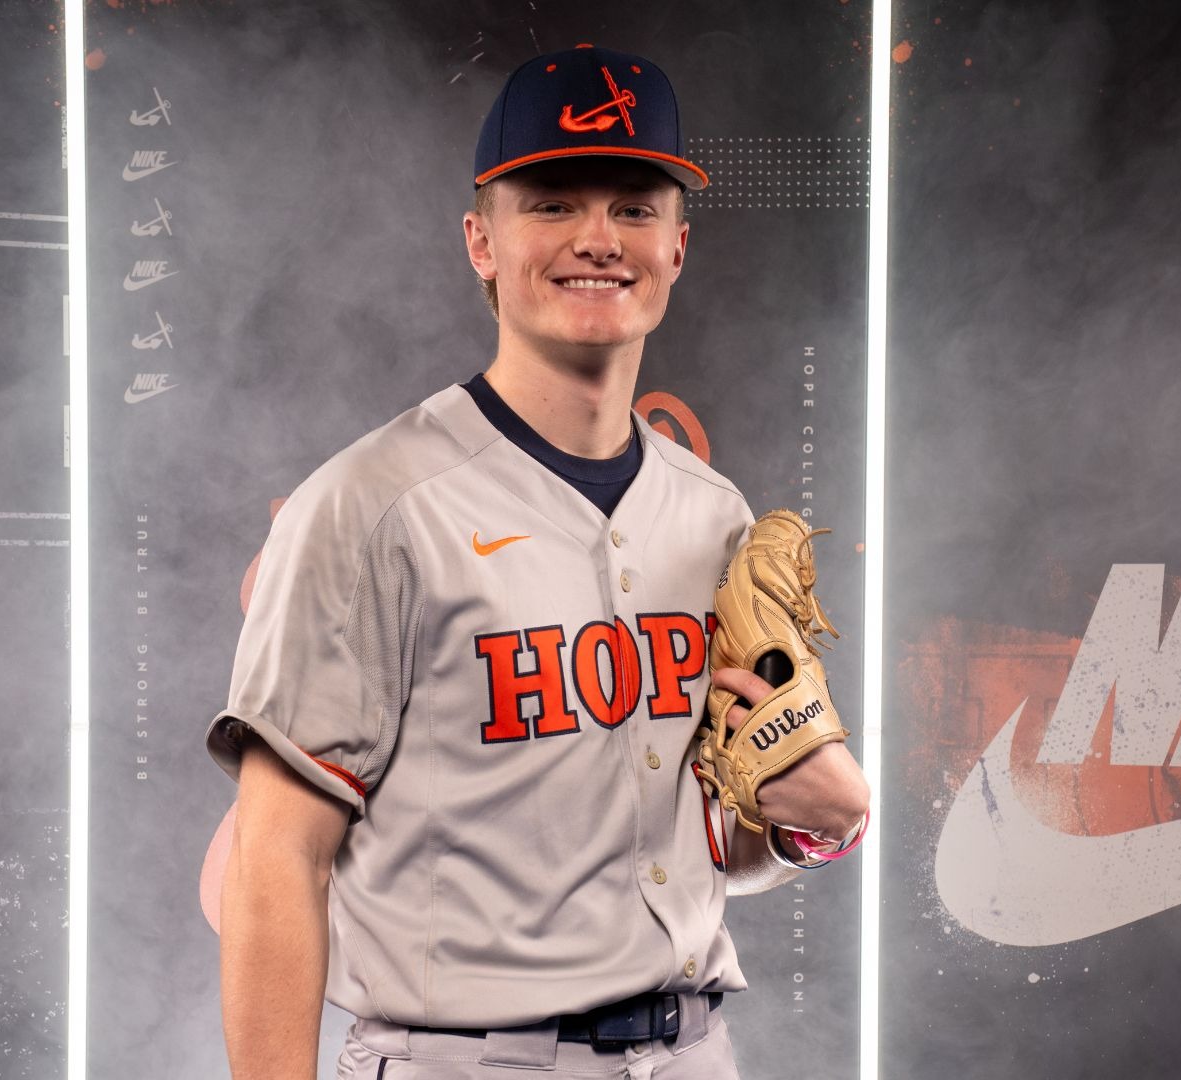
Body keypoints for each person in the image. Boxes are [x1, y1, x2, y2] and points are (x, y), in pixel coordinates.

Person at [206, 45, 871, 1079]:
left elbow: (687, 841)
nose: (599, 239)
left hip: (694, 1051)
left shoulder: (713, 517)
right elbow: (272, 861)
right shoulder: (372, 508)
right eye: (554, 204)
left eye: (636, 208)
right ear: (481, 240)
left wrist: (809, 830)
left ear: (678, 248)